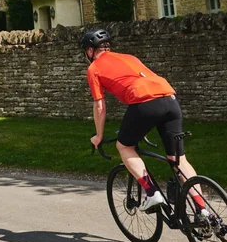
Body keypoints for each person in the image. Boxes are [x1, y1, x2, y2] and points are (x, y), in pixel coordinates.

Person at [80, 28, 211, 216]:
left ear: (90, 50)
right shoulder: (129, 57)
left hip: (144, 103)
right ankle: (203, 211)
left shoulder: (93, 68)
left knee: (124, 146)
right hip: (170, 98)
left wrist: (99, 135)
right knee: (178, 159)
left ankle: (151, 192)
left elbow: (99, 105)